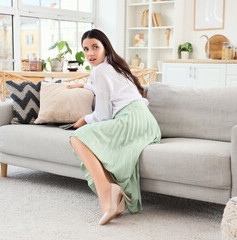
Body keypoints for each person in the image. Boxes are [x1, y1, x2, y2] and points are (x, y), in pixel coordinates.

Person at [68, 29, 161, 225]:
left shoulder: (100, 70)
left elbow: (104, 115)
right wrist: (85, 86)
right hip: (146, 122)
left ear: (105, 48)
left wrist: (85, 118)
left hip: (130, 119)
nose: (90, 53)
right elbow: (112, 90)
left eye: (95, 47)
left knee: (77, 137)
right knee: (92, 143)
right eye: (86, 49)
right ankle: (114, 198)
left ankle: (107, 197)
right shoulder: (113, 67)